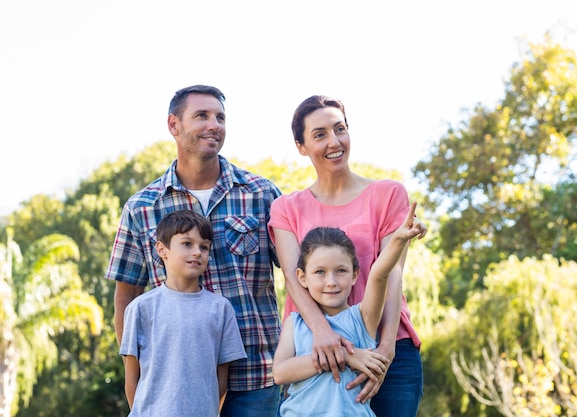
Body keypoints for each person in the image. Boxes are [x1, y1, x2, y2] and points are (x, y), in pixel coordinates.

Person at [106, 85, 282, 417]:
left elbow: (302, 272)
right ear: (174, 125)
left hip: (260, 376)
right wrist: (145, 380)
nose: (213, 125)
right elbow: (126, 295)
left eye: (220, 117)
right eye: (201, 115)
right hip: (178, 389)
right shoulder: (142, 207)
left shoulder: (261, 193)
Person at [269, 95, 427, 417]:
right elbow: (292, 278)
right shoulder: (287, 207)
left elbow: (391, 274)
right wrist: (325, 335)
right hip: (315, 348)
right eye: (319, 134)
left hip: (387, 345)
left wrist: (385, 351)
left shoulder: (388, 193)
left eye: (339, 129)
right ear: (301, 146)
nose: (334, 142)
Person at [273, 202, 424, 417]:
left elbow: (380, 274)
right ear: (302, 277)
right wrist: (344, 356)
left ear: (355, 275)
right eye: (320, 272)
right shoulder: (295, 323)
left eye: (341, 271)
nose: (331, 281)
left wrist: (399, 239)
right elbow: (280, 373)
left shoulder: (363, 318)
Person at [120, 210, 247, 416]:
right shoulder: (140, 308)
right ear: (162, 249)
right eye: (187, 244)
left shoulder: (221, 309)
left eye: (204, 247)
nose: (197, 252)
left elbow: (221, 380)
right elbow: (131, 378)